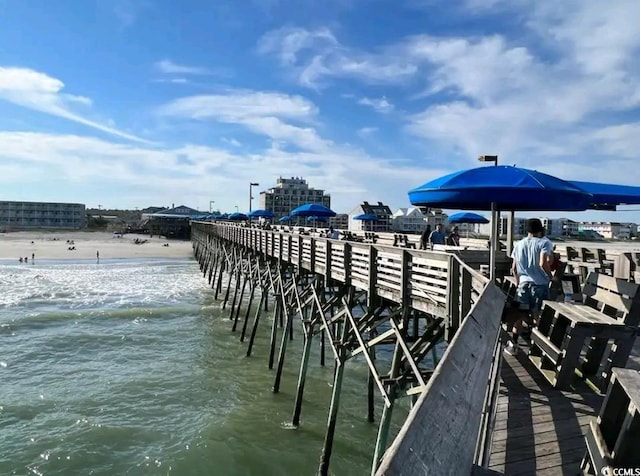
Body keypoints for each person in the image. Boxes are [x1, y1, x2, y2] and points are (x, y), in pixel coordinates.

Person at [505, 218, 554, 355]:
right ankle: (536, 347)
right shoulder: (545, 242)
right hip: (540, 284)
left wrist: (517, 281)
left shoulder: (519, 244)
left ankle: (513, 345)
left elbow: (514, 268)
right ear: (540, 229)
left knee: (519, 316)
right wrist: (550, 277)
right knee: (537, 315)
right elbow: (543, 263)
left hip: (523, 284)